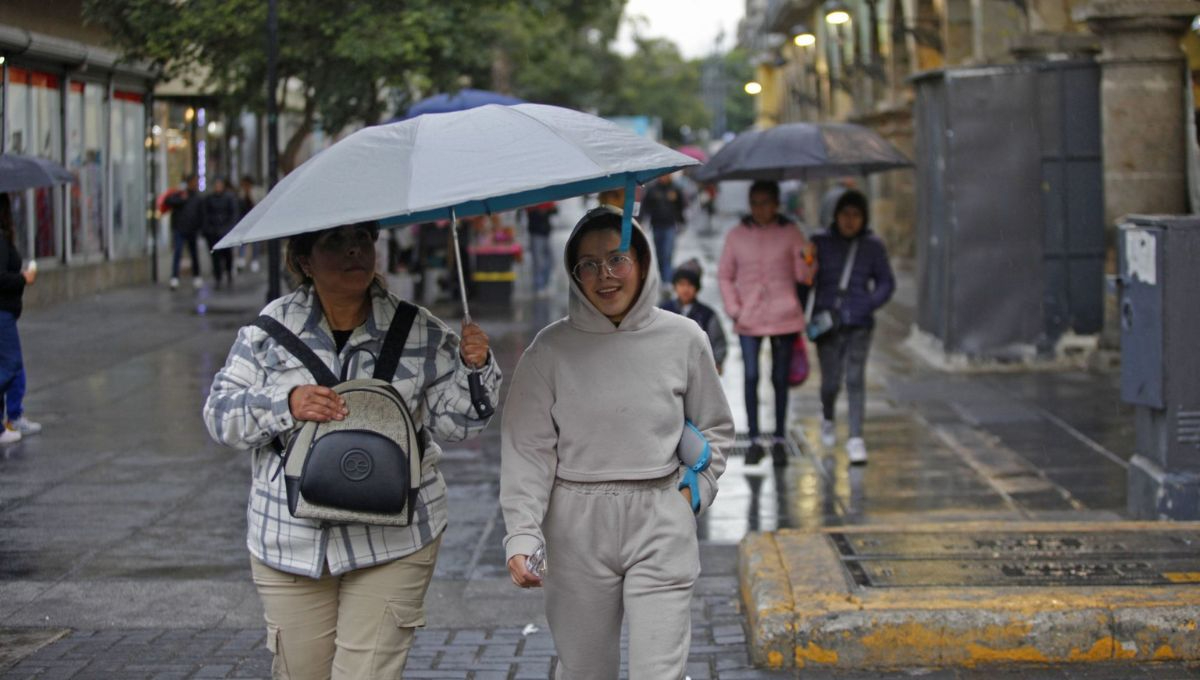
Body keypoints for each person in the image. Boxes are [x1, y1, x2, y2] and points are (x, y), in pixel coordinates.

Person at [202, 221, 500, 678]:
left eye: (363, 239)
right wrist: (286, 403)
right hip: (290, 541)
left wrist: (474, 368)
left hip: (395, 537)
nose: (354, 251)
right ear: (304, 260)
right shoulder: (267, 333)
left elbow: (458, 424)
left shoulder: (417, 330)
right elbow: (220, 416)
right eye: (335, 242)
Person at [501, 207, 734, 679]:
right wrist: (522, 532)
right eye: (587, 264)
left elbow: (716, 427)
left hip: (661, 516)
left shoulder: (685, 339)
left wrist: (698, 491)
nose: (604, 276)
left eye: (617, 259)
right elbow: (527, 450)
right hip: (575, 527)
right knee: (586, 671)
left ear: (643, 263)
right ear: (574, 273)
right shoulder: (548, 351)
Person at [718, 180, 815, 465]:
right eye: (755, 203)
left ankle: (780, 438)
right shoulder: (736, 236)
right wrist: (734, 308)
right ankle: (755, 438)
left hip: (784, 315)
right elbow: (725, 274)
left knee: (779, 378)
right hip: (748, 316)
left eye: (766, 203)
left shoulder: (791, 232)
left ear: (776, 204)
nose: (760, 209)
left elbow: (804, 276)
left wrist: (807, 259)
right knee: (750, 376)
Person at [810, 189, 895, 465]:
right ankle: (828, 415)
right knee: (831, 381)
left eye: (856, 215)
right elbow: (805, 278)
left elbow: (886, 282)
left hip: (859, 323)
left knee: (855, 379)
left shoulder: (872, 246)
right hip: (827, 324)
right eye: (844, 214)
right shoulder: (819, 243)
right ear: (835, 216)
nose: (850, 221)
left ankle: (856, 437)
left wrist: (869, 303)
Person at [0, 194, 38, 445]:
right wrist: (24, 278)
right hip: (2, 312)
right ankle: (8, 421)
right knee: (9, 366)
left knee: (14, 366)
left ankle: (13, 416)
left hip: (6, 312)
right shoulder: (0, 241)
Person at [661, 258, 727, 375]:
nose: (685, 289)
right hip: (668, 368)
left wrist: (717, 362)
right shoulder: (664, 310)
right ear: (675, 286)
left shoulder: (707, 315)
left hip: (700, 370)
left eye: (690, 285)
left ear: (697, 288)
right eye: (681, 284)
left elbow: (718, 342)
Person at [638, 173, 687, 287]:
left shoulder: (675, 188)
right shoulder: (653, 189)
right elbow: (645, 206)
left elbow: (681, 207)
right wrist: (641, 220)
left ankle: (667, 280)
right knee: (660, 253)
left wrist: (682, 222)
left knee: (667, 252)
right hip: (656, 226)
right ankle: (663, 277)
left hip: (670, 226)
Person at [165, 173, 205, 290]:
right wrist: (181, 199)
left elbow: (201, 214)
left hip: (192, 230)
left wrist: (200, 228)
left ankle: (196, 275)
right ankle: (174, 277)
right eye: (193, 182)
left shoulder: (197, 198)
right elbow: (169, 201)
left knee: (194, 254)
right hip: (180, 229)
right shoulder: (180, 194)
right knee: (178, 252)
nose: (195, 184)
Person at [202, 177, 240, 289]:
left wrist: (229, 228)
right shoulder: (209, 199)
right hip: (213, 232)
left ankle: (228, 272)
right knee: (215, 257)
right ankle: (218, 276)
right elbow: (205, 214)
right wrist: (208, 229)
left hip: (225, 231)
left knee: (227, 255)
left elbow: (233, 214)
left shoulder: (229, 198)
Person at [524, 201, 557, 297]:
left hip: (546, 233)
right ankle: (539, 286)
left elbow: (555, 210)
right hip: (536, 233)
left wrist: (546, 210)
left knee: (549, 260)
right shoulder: (530, 203)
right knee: (538, 261)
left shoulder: (547, 201)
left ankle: (545, 284)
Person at [236, 175, 261, 273]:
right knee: (243, 240)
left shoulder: (256, 191)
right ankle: (241, 259)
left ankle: (255, 260)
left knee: (255, 242)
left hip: (254, 220)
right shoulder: (241, 192)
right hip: (244, 219)